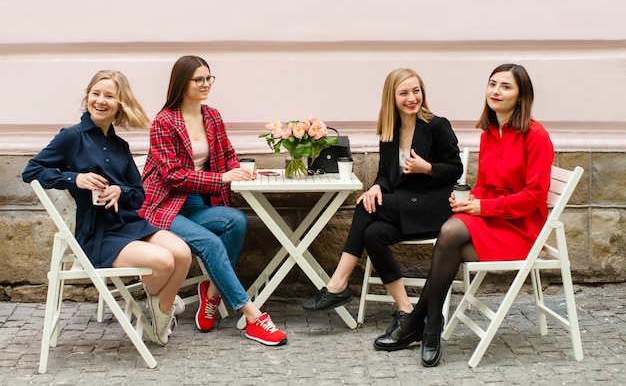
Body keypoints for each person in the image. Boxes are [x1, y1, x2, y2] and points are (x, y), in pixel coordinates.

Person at [374, 63, 554, 368]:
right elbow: (484, 185)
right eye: (493, 84)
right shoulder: (489, 134)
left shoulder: (535, 136)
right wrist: (471, 199)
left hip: (521, 230)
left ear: (522, 96)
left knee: (448, 238)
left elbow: (534, 197)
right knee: (449, 234)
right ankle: (429, 326)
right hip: (493, 220)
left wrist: (482, 207)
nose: (496, 91)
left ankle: (421, 324)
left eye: (506, 87)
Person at [22, 70, 192, 347]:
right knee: (164, 261)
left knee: (182, 253)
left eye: (109, 96)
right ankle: (163, 308)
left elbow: (138, 195)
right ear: (87, 97)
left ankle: (161, 307)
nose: (100, 101)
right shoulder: (71, 137)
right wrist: (73, 178)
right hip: (97, 233)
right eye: (95, 94)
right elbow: (31, 170)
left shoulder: (119, 145)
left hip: (129, 223)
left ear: (120, 103)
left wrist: (120, 190)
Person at [139, 55, 288, 347]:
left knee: (237, 221)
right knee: (210, 243)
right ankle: (254, 317)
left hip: (195, 204)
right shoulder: (164, 122)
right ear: (182, 83)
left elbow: (226, 155)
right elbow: (173, 176)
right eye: (199, 79)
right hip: (163, 207)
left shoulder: (212, 116)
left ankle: (213, 292)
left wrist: (244, 171)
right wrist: (222, 179)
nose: (206, 84)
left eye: (209, 78)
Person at [302, 68, 463, 333]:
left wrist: (428, 168)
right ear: (392, 97)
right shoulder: (390, 131)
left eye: (416, 91)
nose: (412, 98)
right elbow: (385, 175)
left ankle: (337, 284)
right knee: (373, 233)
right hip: (405, 207)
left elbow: (455, 168)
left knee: (365, 211)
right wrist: (376, 186)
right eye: (404, 93)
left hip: (433, 207)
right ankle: (406, 310)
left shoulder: (437, 125)